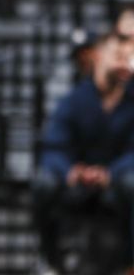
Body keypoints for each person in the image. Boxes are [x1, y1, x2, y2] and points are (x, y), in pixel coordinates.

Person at [32, 32, 134, 273]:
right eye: (118, 56)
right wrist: (70, 171)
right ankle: (52, 260)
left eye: (128, 57)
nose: (124, 64)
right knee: (44, 182)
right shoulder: (73, 101)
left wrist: (111, 173)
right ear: (97, 56)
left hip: (118, 181)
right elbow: (53, 146)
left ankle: (129, 264)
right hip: (78, 182)